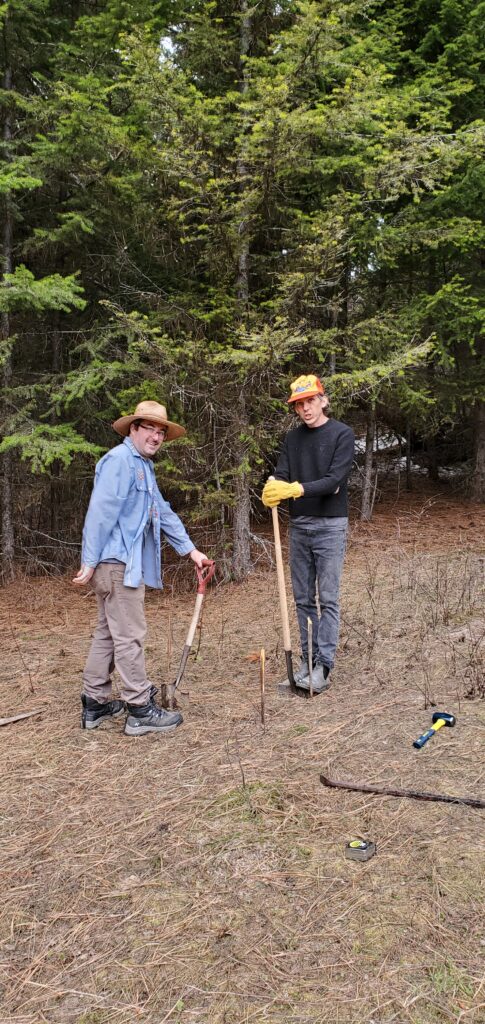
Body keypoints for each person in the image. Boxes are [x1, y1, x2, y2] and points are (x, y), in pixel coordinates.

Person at [73, 400, 209, 735]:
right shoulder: (119, 461)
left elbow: (161, 511)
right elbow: (100, 513)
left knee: (108, 633)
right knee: (130, 635)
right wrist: (90, 561)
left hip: (117, 566)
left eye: (161, 431)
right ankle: (139, 709)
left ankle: (96, 703)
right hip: (117, 566)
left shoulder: (143, 467)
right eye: (149, 428)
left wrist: (190, 550)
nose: (156, 436)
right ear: (133, 428)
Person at [262, 375, 354, 693]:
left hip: (330, 526)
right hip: (299, 527)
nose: (305, 408)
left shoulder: (342, 434)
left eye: (310, 401)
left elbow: (334, 481)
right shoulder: (293, 439)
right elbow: (283, 473)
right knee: (303, 599)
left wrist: (295, 489)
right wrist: (273, 484)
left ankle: (324, 667)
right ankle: (307, 661)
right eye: (300, 404)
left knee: (328, 599)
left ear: (323, 400)